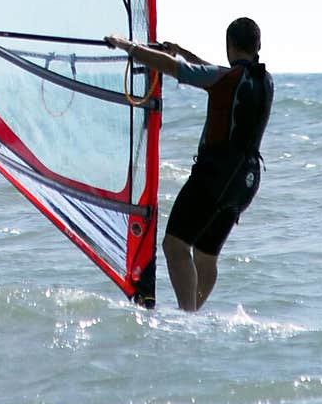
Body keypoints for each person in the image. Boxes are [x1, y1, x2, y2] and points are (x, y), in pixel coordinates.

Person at [105, 18, 273, 313]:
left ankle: (187, 316)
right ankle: (192, 313)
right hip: (245, 183)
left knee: (175, 246)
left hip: (214, 177)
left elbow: (175, 70)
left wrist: (127, 46)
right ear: (258, 46)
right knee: (205, 256)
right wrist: (182, 51)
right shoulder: (262, 80)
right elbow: (216, 74)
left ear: (228, 45)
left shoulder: (226, 79)